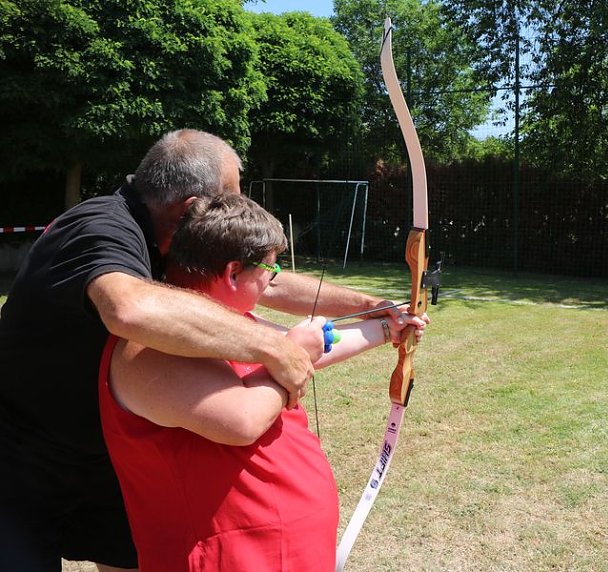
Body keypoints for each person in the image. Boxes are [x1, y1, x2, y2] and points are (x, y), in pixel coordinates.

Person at [0, 129, 412, 572]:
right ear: (192, 209)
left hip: (103, 457)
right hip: (21, 457)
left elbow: (265, 278)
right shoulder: (102, 225)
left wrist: (371, 307)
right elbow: (130, 308)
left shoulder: (171, 241)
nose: (232, 212)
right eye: (228, 199)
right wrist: (277, 347)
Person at [99, 193, 425, 571]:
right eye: (270, 268)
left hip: (285, 552)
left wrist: (388, 327)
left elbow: (312, 350)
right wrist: (293, 352)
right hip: (222, 560)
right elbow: (242, 421)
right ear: (233, 273)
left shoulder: (234, 324)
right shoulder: (147, 347)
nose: (273, 278)